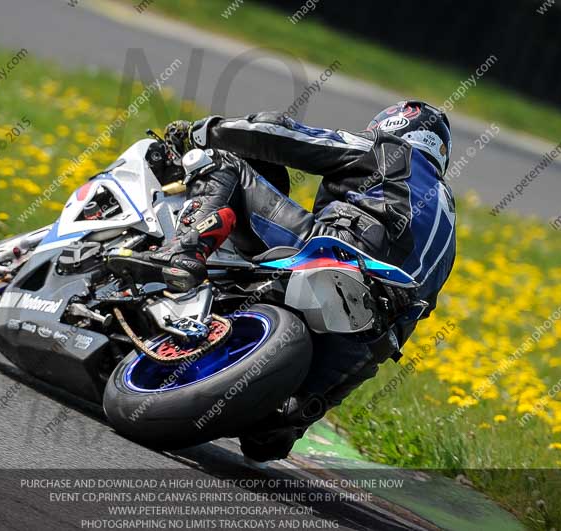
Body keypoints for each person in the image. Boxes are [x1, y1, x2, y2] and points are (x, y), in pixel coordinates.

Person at [111, 101, 457, 462]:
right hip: (371, 336)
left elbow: (281, 133)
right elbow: (416, 315)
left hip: (338, 253)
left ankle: (182, 253)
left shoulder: (389, 151)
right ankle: (287, 419)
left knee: (221, 163)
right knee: (270, 435)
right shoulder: (450, 232)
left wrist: (203, 131)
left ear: (395, 124)